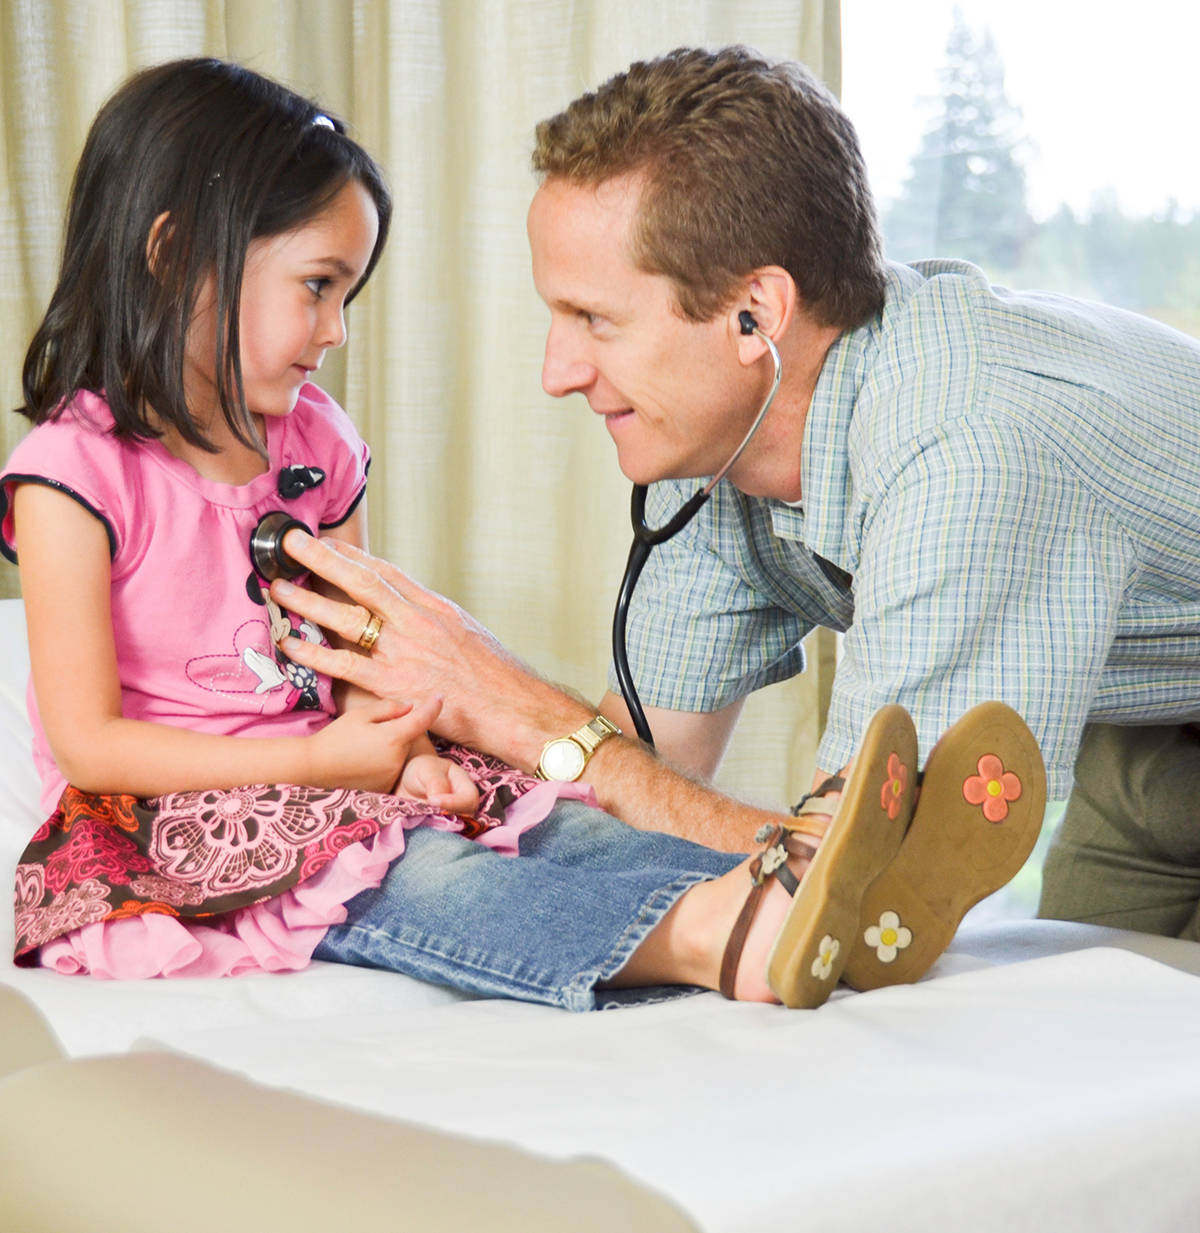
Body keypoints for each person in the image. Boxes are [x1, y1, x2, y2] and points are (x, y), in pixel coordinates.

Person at [1, 56, 1038, 1011]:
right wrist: (333, 766)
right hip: (183, 824)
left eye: (347, 295)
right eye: (318, 286)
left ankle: (826, 898)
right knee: (426, 880)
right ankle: (718, 936)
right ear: (177, 255)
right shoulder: (74, 475)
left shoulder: (317, 446)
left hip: (349, 778)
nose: (336, 331)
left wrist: (400, 755)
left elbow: (362, 651)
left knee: (558, 819)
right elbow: (91, 744)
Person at [272, 43, 1200, 946]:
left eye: (595, 319)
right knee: (1096, 1036)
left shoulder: (968, 453)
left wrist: (520, 703)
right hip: (1153, 739)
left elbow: (867, 888)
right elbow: (635, 782)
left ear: (756, 314)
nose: (557, 371)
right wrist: (449, 754)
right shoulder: (728, 449)